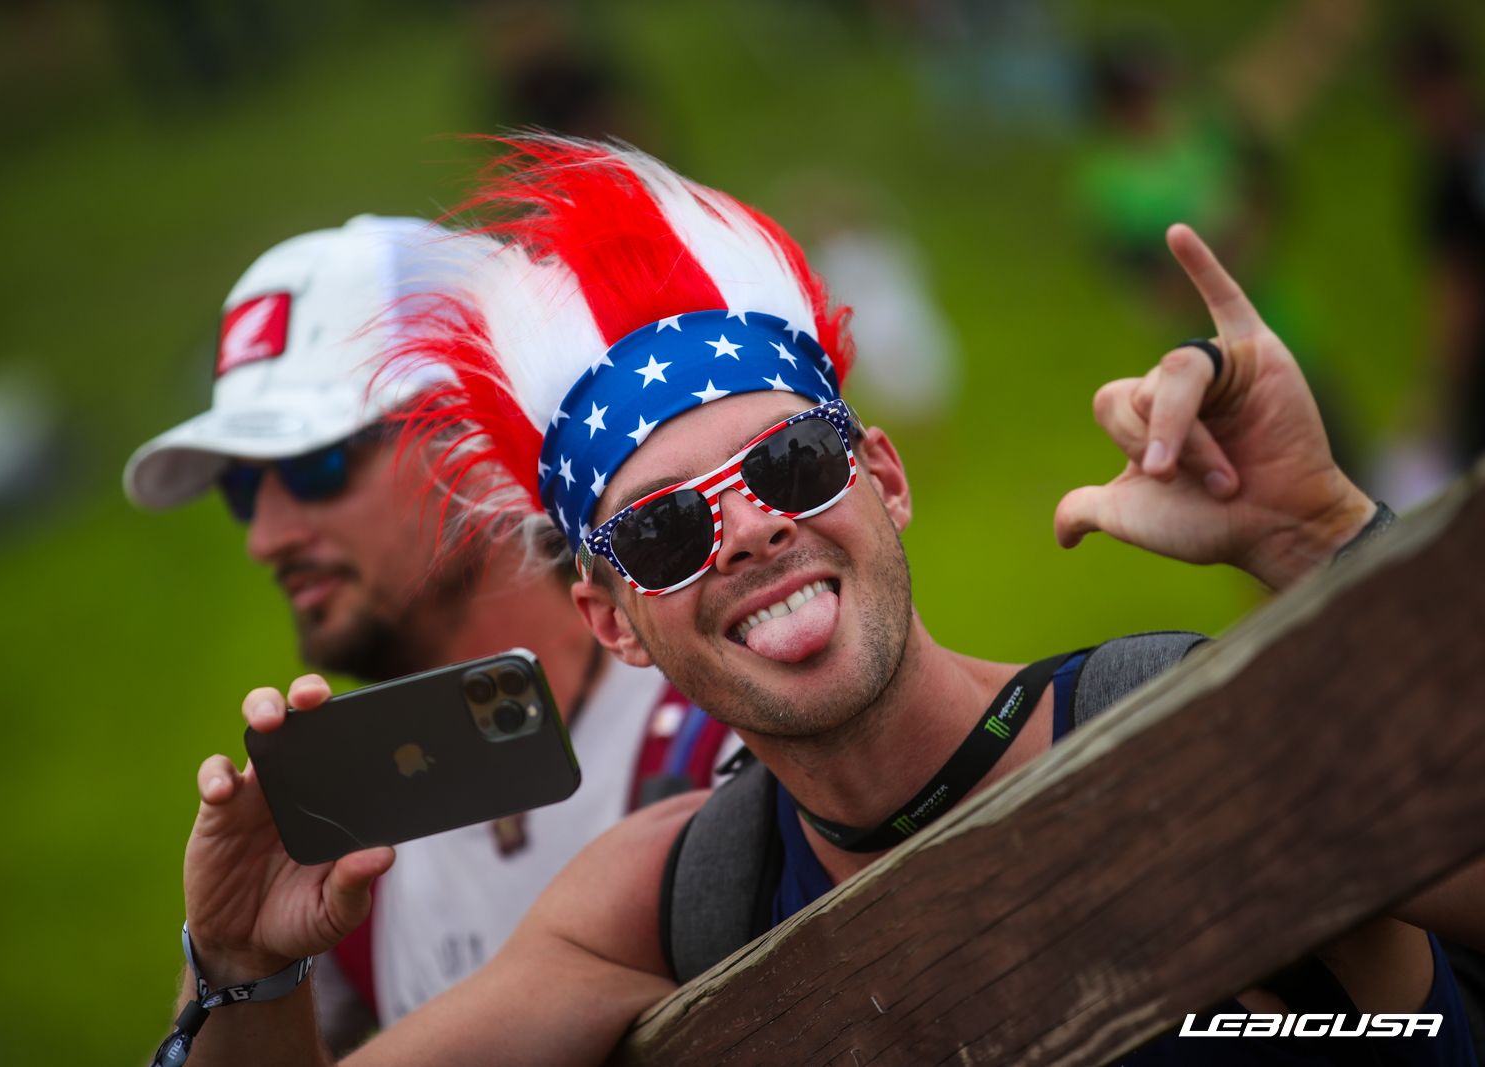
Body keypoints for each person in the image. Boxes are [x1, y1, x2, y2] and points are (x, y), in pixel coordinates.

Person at [158, 142, 1481, 1066]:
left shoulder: (1178, 726)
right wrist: (238, 962)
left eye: (792, 463)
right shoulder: (668, 896)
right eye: (666, 529)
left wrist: (1322, 538)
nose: (748, 525)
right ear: (612, 616)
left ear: (883, 476)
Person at [124, 214, 730, 1052]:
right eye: (241, 488)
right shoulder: (344, 854)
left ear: (481, 436)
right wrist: (234, 964)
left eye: (313, 467)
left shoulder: (727, 717)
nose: (264, 536)